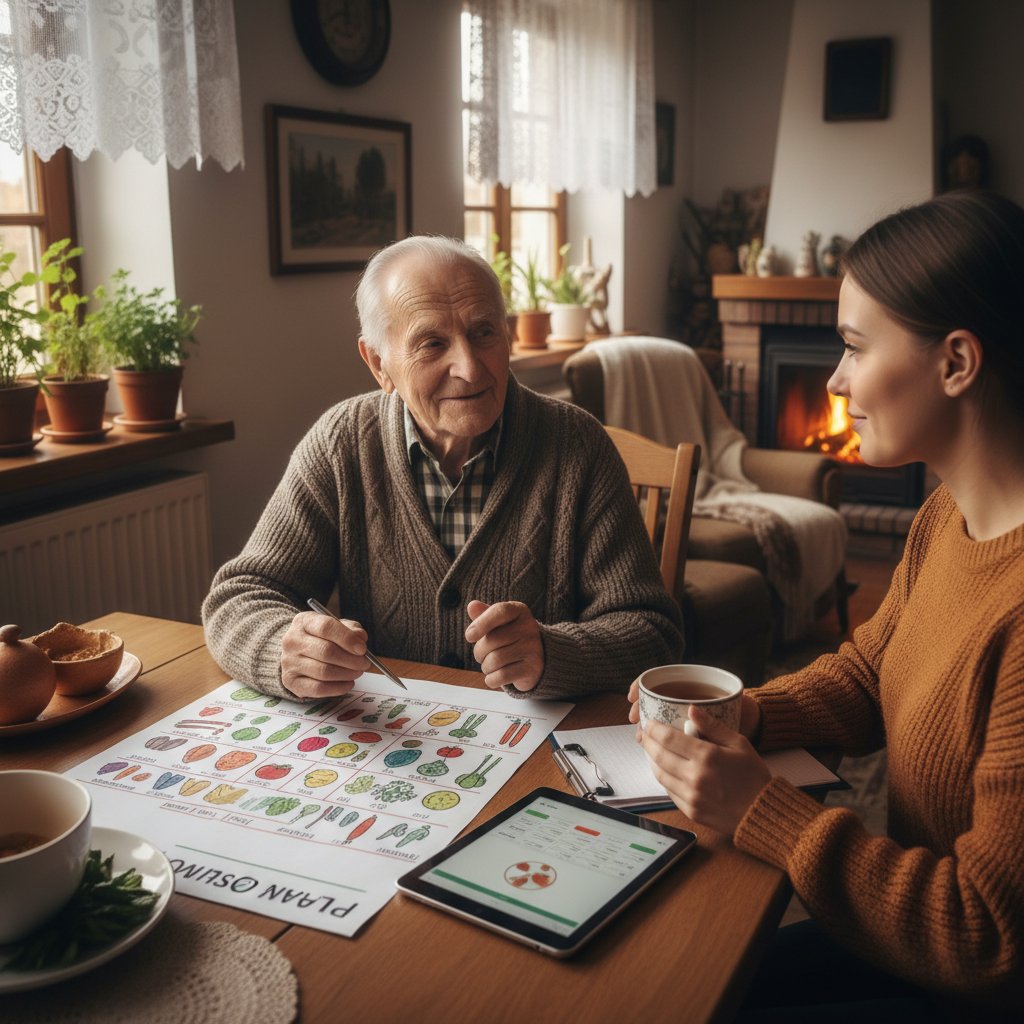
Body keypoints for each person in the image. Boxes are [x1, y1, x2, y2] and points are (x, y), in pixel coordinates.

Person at [629, 190, 1024, 1020]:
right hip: (907, 944)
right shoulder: (947, 513)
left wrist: (763, 812)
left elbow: (985, 935)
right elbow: (868, 673)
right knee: (688, 978)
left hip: (973, 985)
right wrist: (742, 713)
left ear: (957, 363)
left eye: (852, 346)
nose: (837, 381)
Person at [203, 235, 682, 702]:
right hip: (393, 748)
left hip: (540, 751)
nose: (470, 369)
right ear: (378, 364)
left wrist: (553, 654)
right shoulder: (342, 442)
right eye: (432, 344)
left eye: (484, 332)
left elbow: (652, 632)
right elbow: (238, 598)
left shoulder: (577, 445)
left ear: (508, 334)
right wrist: (283, 648)